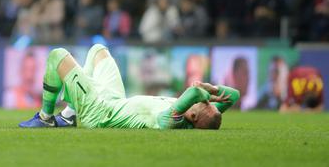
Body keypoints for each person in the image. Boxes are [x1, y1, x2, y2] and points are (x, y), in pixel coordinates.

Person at [19, 45, 239, 129]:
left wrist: (201, 88)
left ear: (192, 115)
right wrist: (210, 90)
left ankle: (45, 118)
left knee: (58, 56)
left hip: (99, 114)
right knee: (98, 50)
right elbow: (234, 95)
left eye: (203, 105)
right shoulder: (195, 112)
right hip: (114, 101)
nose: (206, 101)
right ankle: (69, 115)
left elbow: (192, 92)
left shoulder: (171, 121)